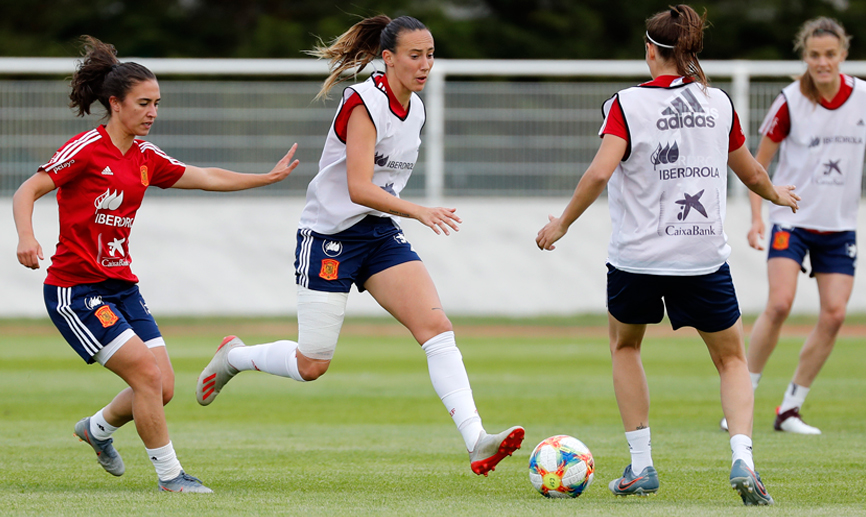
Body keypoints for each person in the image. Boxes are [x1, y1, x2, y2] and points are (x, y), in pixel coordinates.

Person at [194, 15, 524, 476]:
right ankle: (235, 356)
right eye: (415, 55)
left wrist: (404, 212)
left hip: (378, 234)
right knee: (312, 364)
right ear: (388, 58)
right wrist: (419, 210)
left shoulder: (418, 107)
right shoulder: (364, 102)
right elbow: (358, 188)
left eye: (430, 54)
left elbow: (376, 198)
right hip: (329, 236)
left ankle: (476, 440)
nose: (425, 64)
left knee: (437, 330)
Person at [536, 5, 800, 506]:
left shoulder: (627, 103)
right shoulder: (718, 102)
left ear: (652, 50)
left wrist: (562, 223)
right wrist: (777, 195)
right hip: (701, 258)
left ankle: (641, 466)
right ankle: (742, 457)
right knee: (731, 361)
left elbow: (598, 174)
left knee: (626, 347)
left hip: (636, 259)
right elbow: (750, 173)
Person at [13, 36, 300, 493]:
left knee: (162, 386)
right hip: (77, 290)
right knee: (146, 375)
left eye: (157, 103)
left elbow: (206, 176)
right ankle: (171, 477)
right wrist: (27, 237)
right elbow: (27, 189)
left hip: (122, 287)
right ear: (115, 103)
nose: (152, 112)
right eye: (144, 103)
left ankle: (98, 429)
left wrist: (264, 177)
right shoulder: (86, 149)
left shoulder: (146, 157)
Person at [720, 17, 863, 436]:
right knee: (780, 303)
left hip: (839, 227)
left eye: (830, 55)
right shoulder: (789, 101)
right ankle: (741, 398)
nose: (822, 62)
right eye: (814, 55)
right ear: (805, 57)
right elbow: (756, 166)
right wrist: (757, 216)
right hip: (792, 219)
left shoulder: (862, 98)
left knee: (834, 315)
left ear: (843, 55)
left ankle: (790, 409)